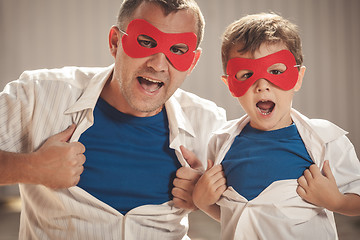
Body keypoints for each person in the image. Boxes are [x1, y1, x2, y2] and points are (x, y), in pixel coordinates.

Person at [0, 0, 227, 239]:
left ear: (192, 61)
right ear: (115, 42)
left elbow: (255, 214)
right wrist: (33, 168)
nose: (158, 65)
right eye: (146, 42)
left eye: (178, 50)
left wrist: (205, 199)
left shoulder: (209, 124)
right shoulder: (38, 95)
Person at [192, 13, 360, 239]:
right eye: (246, 74)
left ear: (298, 77)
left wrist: (336, 201)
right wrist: (202, 202)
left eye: (276, 72)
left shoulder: (327, 141)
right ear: (231, 85)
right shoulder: (220, 143)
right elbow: (235, 216)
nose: (262, 86)